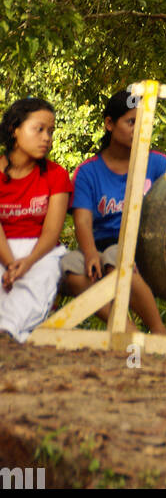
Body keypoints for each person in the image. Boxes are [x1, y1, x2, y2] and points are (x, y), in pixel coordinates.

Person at [61, 89, 166, 336]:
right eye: (131, 122)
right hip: (98, 247)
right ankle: (129, 333)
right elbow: (83, 221)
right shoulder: (88, 172)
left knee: (116, 259)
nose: (139, 129)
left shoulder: (158, 164)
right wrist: (89, 255)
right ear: (109, 124)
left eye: (144, 123)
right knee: (71, 268)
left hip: (142, 247)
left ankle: (159, 331)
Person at [0, 97, 72, 342]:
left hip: (41, 250)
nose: (47, 138)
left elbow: (52, 232)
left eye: (50, 131)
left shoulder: (56, 175)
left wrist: (27, 262)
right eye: (39, 129)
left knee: (40, 276)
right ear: (15, 129)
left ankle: (7, 333)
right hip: (3, 247)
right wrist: (11, 263)